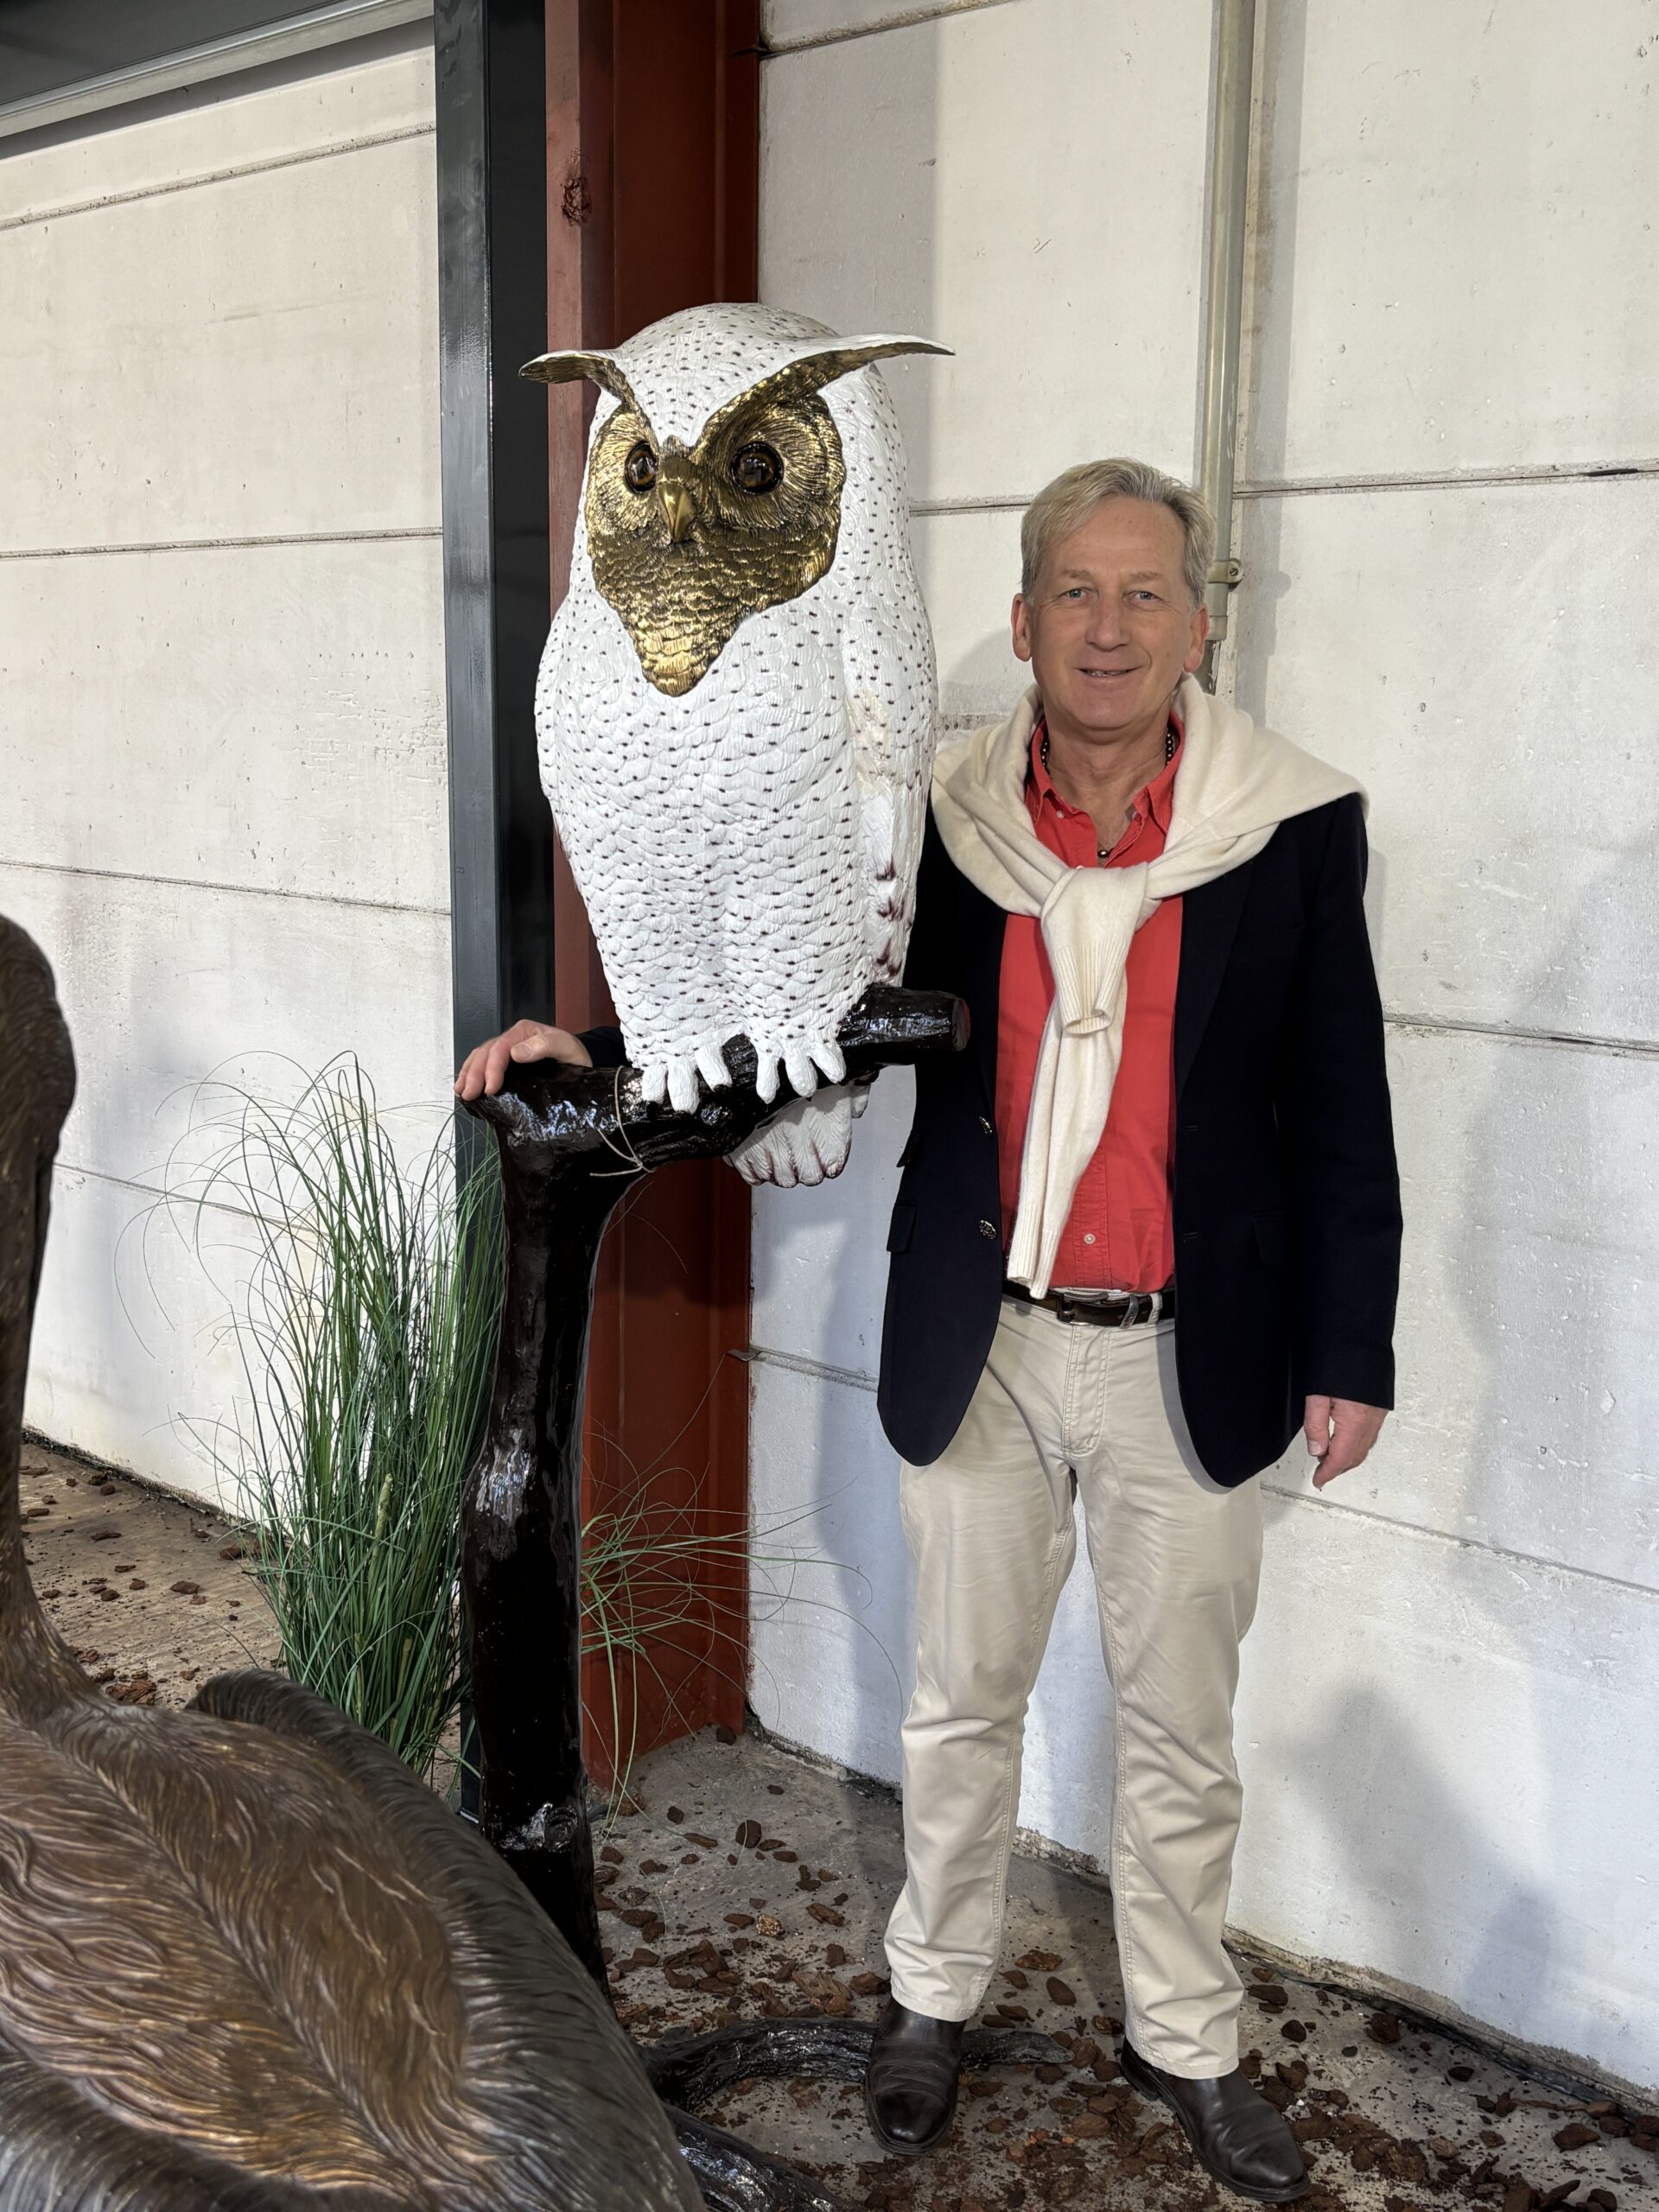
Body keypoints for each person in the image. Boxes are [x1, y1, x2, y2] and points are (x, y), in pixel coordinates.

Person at [454, 455, 1402, 2205]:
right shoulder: (941, 821)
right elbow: (788, 998)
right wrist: (588, 1049)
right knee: (959, 1701)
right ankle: (932, 1995)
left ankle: (1188, 2034)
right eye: (1076, 592)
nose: (1109, 626)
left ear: (1198, 623)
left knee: (1182, 1723)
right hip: (988, 1336)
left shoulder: (1292, 826)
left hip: (1193, 1346)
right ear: (1023, 620)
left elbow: (1343, 1104)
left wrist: (1355, 1348)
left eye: (1145, 592)